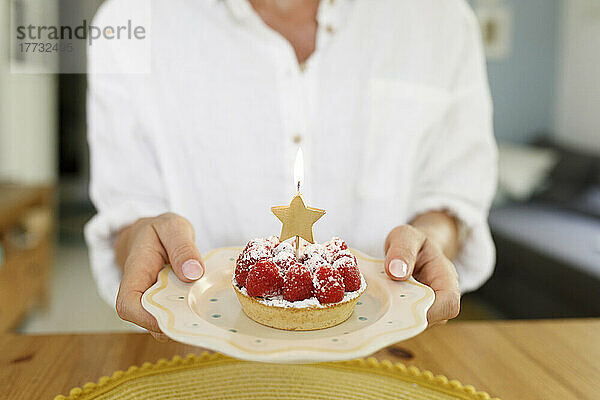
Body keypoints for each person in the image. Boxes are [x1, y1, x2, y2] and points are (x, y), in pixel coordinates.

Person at [85, 0, 497, 340]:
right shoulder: (128, 23)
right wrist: (143, 239)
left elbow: (453, 191)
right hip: (193, 359)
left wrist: (432, 240)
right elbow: (128, 211)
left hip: (394, 359)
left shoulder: (441, 20)